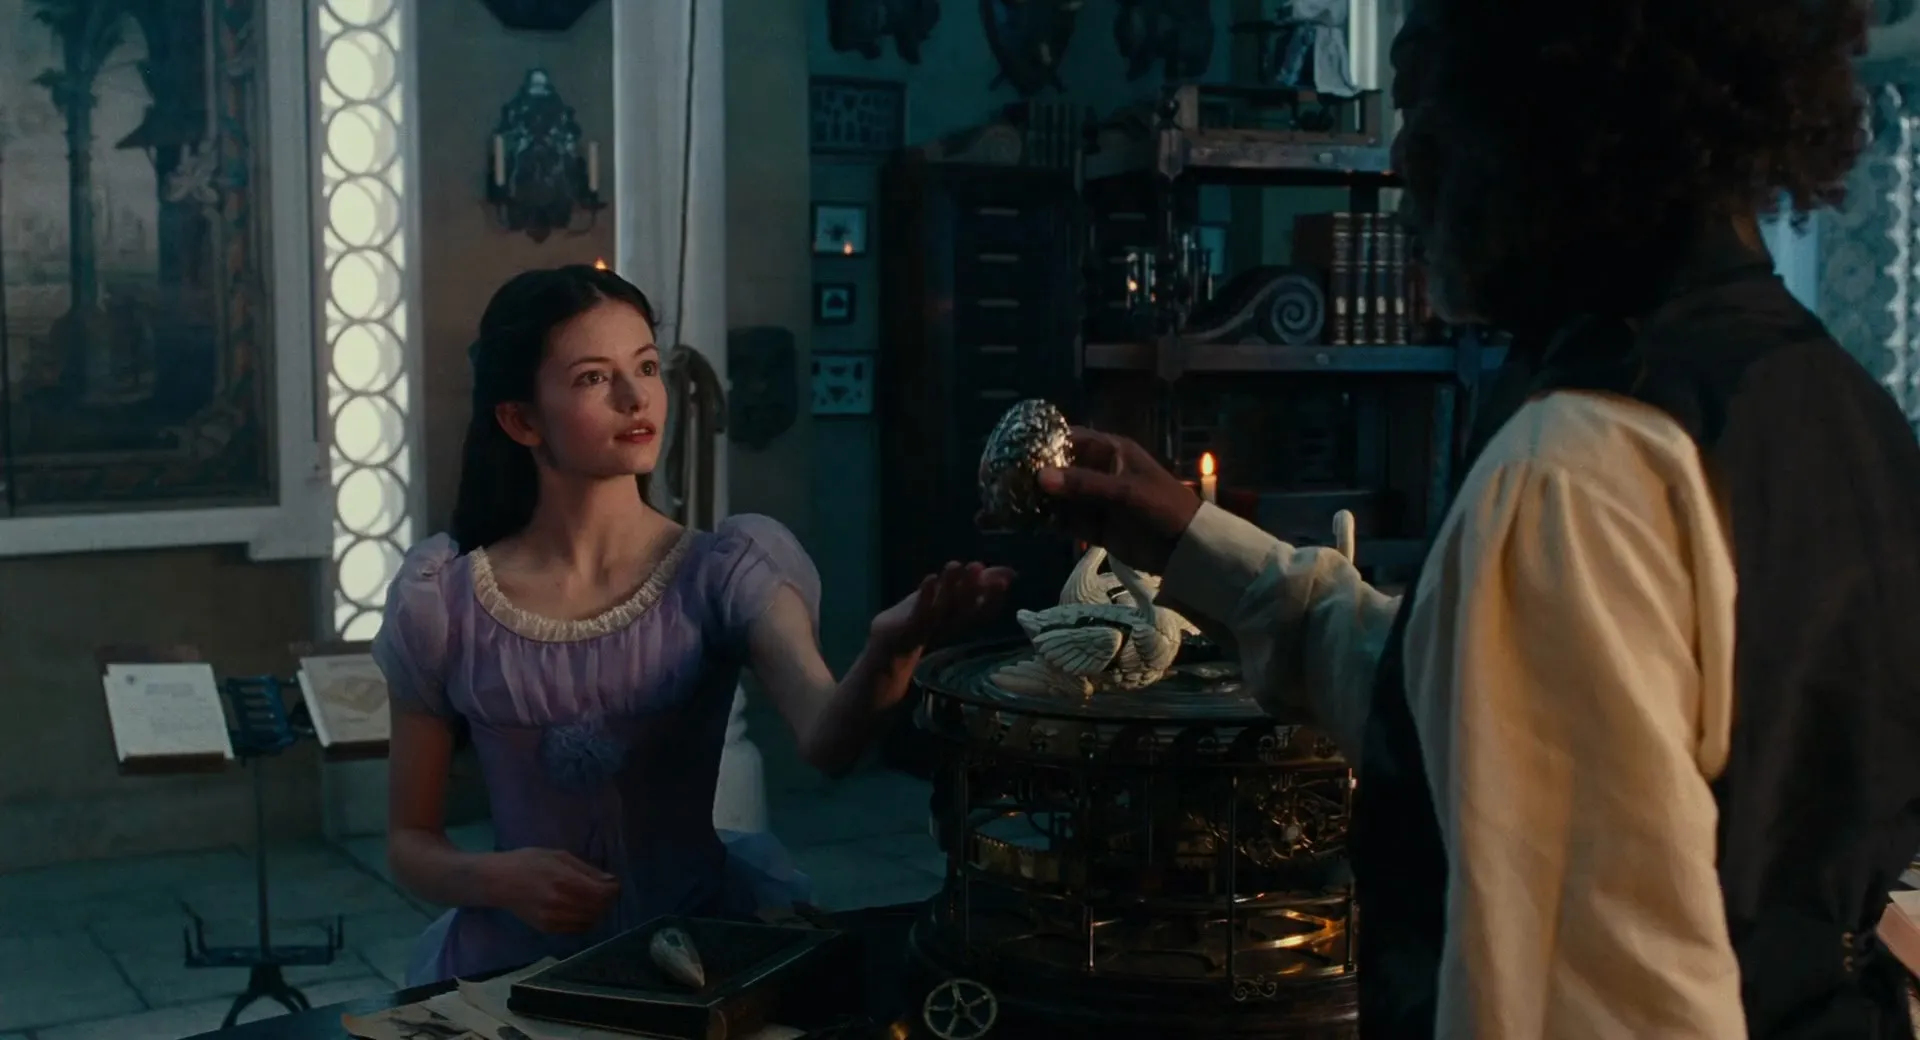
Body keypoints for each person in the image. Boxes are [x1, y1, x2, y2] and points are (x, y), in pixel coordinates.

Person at [1036, 2, 1920, 1037]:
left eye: (1424, 106)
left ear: (1547, 110)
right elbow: (1465, 703)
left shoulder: (1574, 468)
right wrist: (1191, 540)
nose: (1402, 160)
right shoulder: (1842, 405)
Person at [375, 265, 1011, 986]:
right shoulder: (445, 602)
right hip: (512, 971)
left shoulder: (725, 570)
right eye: (593, 377)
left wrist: (891, 650)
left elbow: (828, 741)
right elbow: (410, 841)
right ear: (521, 420)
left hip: (695, 957)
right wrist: (498, 878)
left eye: (646, 367)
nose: (636, 397)